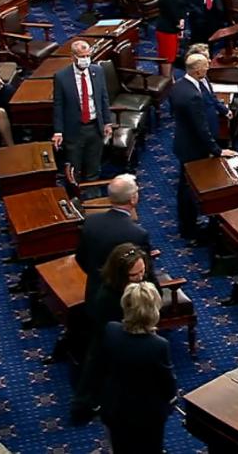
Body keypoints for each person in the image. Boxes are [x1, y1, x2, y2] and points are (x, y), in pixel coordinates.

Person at [71, 240, 152, 424]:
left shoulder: (143, 277)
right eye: (134, 275)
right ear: (121, 275)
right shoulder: (107, 298)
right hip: (112, 337)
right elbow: (108, 331)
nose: (141, 277)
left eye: (143, 271)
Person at [96, 281, 176, 454]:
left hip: (115, 408)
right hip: (147, 415)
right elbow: (168, 384)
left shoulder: (111, 330)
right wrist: (171, 398)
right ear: (153, 311)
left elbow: (102, 366)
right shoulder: (158, 345)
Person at [171, 53, 237, 238]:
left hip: (183, 142)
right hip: (192, 148)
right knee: (189, 188)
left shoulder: (179, 85)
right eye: (205, 67)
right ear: (197, 70)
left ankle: (187, 224)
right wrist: (217, 151)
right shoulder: (192, 95)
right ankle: (189, 229)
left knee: (185, 185)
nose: (208, 69)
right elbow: (200, 128)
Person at [76, 175, 151, 308]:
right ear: (133, 199)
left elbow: (80, 258)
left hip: (94, 294)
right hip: (126, 302)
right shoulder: (138, 234)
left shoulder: (91, 222)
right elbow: (145, 273)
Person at [52, 40, 114, 185]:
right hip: (74, 130)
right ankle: (76, 195)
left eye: (88, 55)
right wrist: (58, 131)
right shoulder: (61, 77)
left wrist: (107, 122)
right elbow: (58, 106)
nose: (86, 59)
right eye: (82, 56)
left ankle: (93, 193)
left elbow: (103, 98)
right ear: (73, 57)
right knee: (74, 170)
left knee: (94, 168)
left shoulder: (98, 71)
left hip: (95, 127)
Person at [154, 0, 186, 78]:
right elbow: (173, 14)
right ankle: (166, 80)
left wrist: (181, 20)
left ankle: (170, 79)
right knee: (167, 58)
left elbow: (178, 10)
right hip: (167, 31)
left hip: (171, 29)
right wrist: (180, 26)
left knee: (171, 57)